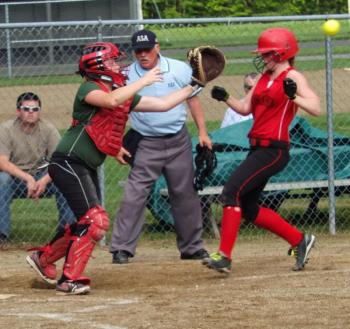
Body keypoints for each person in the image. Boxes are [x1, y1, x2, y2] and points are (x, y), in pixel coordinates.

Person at [26, 41, 204, 295]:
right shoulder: (89, 87)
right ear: (98, 68)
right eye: (111, 62)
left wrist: (194, 86)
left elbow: (163, 104)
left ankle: (43, 260)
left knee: (88, 221)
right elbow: (110, 101)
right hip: (68, 161)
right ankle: (69, 279)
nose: (117, 66)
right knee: (95, 220)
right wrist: (142, 82)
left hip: (82, 165)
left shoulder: (120, 92)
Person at [203, 27, 321, 274]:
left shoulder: (293, 77)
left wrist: (293, 97)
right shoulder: (261, 79)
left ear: (282, 53)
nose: (263, 57)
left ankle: (224, 256)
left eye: (268, 53)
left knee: (231, 191)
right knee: (248, 207)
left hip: (275, 149)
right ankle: (300, 240)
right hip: (256, 147)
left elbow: (316, 107)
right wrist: (225, 97)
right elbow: (245, 109)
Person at [109, 29, 211, 265]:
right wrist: (115, 145)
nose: (143, 54)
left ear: (157, 47)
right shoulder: (126, 74)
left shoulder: (178, 69)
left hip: (178, 139)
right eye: (138, 50)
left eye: (147, 49)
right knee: (134, 194)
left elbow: (192, 99)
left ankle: (192, 247)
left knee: (184, 193)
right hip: (146, 141)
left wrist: (203, 132)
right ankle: (121, 248)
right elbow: (117, 110)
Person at [0, 92, 75, 246]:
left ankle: (66, 233)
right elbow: (3, 163)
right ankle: (2, 235)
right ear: (18, 111)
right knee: (2, 179)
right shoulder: (6, 129)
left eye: (35, 109)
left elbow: (59, 162)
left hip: (42, 178)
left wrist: (44, 180)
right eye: (26, 108)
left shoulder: (48, 129)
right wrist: (27, 178)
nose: (31, 112)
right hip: (15, 180)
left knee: (66, 177)